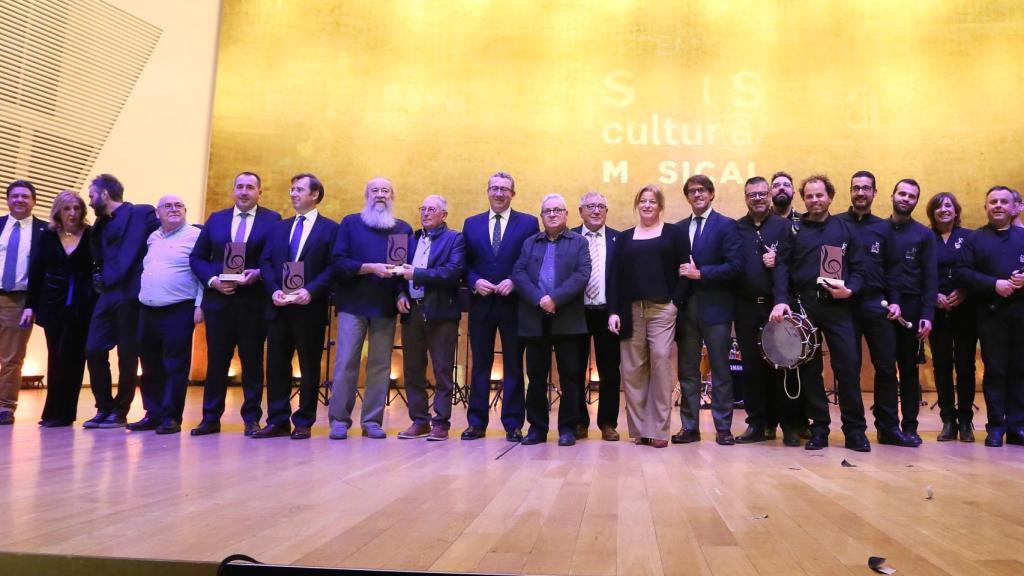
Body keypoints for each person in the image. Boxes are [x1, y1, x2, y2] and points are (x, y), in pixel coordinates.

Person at [779, 174, 870, 451]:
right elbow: (782, 268)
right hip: (805, 309)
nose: (815, 200)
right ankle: (819, 429)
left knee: (848, 368)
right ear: (803, 199)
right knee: (810, 372)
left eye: (820, 195)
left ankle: (855, 431)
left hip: (839, 308)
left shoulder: (845, 229)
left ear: (830, 197)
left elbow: (861, 269)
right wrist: (782, 300)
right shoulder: (793, 231)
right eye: (809, 196)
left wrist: (850, 290)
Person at [190, 172, 281, 436]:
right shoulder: (216, 219)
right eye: (239, 187)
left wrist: (259, 274)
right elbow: (197, 258)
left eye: (250, 187)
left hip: (253, 304)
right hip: (220, 301)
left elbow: (275, 258)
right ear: (233, 190)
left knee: (252, 363)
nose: (244, 192)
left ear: (259, 193)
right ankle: (210, 418)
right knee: (217, 362)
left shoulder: (272, 220)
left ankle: (251, 418)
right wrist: (213, 280)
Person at [254, 173, 338, 440]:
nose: (292, 194)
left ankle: (304, 420)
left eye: (299, 189)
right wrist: (274, 290)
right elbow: (266, 263)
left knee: (309, 365)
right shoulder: (280, 227)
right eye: (291, 189)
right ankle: (277, 420)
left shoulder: (331, 229)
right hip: (279, 306)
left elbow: (334, 266)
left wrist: (310, 291)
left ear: (315, 195)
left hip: (309, 308)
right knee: (276, 364)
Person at [328, 177, 412, 440]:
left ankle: (372, 421)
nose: (380, 195)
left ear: (392, 196)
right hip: (353, 303)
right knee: (345, 363)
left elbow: (403, 271)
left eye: (385, 190)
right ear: (366, 195)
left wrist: (401, 294)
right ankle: (339, 420)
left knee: (380, 365)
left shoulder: (403, 228)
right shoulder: (351, 223)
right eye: (374, 190)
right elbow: (338, 262)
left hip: (385, 307)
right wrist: (369, 268)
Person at [836, 171, 916, 447]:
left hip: (876, 305)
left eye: (866, 188)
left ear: (874, 193)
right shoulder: (835, 225)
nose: (861, 192)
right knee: (848, 369)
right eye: (856, 187)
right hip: (843, 306)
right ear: (850, 190)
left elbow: (894, 269)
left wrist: (894, 300)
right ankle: (854, 430)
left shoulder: (884, 228)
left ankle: (888, 428)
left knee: (885, 368)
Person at [460, 172, 539, 442]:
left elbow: (533, 260)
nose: (499, 193)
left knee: (514, 365)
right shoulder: (471, 224)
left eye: (504, 189)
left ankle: (513, 424)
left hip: (514, 305)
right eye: (494, 188)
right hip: (481, 304)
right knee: (480, 364)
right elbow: (464, 263)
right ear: (487, 191)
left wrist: (515, 281)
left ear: (513, 194)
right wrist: (474, 281)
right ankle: (476, 422)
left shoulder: (529, 223)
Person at [607, 184, 688, 448]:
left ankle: (659, 430)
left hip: (662, 309)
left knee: (661, 362)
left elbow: (685, 271)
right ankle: (640, 429)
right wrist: (614, 312)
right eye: (643, 201)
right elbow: (615, 278)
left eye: (652, 201)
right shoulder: (625, 238)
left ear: (660, 205)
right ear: (637, 204)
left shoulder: (675, 234)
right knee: (632, 370)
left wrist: (676, 303)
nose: (647, 205)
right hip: (631, 311)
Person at [511, 194, 591, 446]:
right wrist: (539, 298)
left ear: (567, 215)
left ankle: (567, 428)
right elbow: (519, 272)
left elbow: (582, 274)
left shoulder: (579, 242)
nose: (553, 214)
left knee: (570, 376)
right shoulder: (530, 243)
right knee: (535, 377)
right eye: (548, 211)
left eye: (558, 210)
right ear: (542, 216)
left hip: (567, 318)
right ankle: (537, 428)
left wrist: (555, 298)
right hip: (535, 319)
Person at [83, 174, 159, 429]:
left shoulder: (142, 213)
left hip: (131, 293)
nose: (89, 200)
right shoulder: (99, 226)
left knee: (127, 355)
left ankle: (120, 410)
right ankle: (103, 406)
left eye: (92, 195)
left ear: (105, 194)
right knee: (93, 348)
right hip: (107, 294)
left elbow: (172, 226)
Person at [673, 175, 741, 446]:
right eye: (691, 191)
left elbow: (736, 266)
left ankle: (723, 427)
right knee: (688, 371)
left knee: (721, 371)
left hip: (717, 310)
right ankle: (690, 427)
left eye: (702, 190)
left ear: (712, 194)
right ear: (687, 197)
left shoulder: (727, 226)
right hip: (685, 311)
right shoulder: (677, 230)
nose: (697, 195)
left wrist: (701, 274)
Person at [956, 186, 1024, 447]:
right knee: (995, 370)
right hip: (989, 313)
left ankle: (1017, 426)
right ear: (985, 208)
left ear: (1013, 207)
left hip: (1020, 312)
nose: (998, 205)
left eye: (1003, 202)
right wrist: (994, 284)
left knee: (1020, 368)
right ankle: (996, 426)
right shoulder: (975, 239)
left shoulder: (1022, 236)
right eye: (993, 201)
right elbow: (962, 272)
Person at [395, 195, 464, 441]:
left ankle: (441, 423)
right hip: (412, 310)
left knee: (442, 369)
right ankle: (419, 420)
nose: (425, 213)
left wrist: (417, 274)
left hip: (441, 312)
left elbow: (452, 272)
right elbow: (397, 270)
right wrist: (401, 293)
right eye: (422, 208)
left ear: (444, 214)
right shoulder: (410, 239)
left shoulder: (455, 239)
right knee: (413, 369)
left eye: (431, 209)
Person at [133, 195, 204, 434]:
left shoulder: (195, 236)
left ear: (185, 210)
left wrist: (200, 305)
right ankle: (152, 413)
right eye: (168, 206)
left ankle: (171, 417)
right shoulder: (152, 237)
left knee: (175, 365)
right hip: (147, 309)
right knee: (149, 364)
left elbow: (201, 271)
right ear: (157, 213)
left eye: (179, 206)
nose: (174, 210)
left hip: (179, 309)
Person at [26, 192, 96, 426]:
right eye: (67, 209)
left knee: (74, 358)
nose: (72, 214)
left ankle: (65, 414)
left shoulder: (90, 235)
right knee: (56, 356)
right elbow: (36, 273)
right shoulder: (47, 236)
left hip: (82, 305)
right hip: (53, 304)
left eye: (77, 208)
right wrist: (29, 307)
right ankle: (51, 413)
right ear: (58, 211)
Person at [732, 177, 793, 444]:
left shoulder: (784, 227)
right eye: (751, 195)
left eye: (761, 194)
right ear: (745, 198)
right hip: (745, 309)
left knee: (782, 367)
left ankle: (789, 425)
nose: (757, 198)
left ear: (768, 195)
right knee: (752, 369)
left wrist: (778, 262)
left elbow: (791, 266)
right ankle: (757, 423)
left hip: (775, 308)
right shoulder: (736, 229)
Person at [887, 179, 937, 445]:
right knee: (885, 370)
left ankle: (910, 426)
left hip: (912, 307)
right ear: (892, 195)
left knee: (907, 369)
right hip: (882, 308)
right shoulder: (879, 229)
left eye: (912, 196)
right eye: (902, 193)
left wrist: (927, 314)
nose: (906, 199)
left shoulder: (924, 235)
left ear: (916, 201)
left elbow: (931, 278)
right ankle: (888, 427)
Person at [926, 192, 977, 442]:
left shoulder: (969, 237)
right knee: (942, 365)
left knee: (966, 365)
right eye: (938, 206)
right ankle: (948, 419)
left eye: (948, 206)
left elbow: (977, 270)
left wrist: (965, 291)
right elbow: (918, 273)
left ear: (956, 211)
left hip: (965, 310)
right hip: (937, 310)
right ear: (932, 212)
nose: (943, 210)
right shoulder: (926, 238)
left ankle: (966, 420)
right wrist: (932, 295)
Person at [571, 191, 621, 441]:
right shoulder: (569, 237)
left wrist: (617, 311)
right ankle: (579, 422)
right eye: (590, 206)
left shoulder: (618, 240)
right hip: (575, 313)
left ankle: (608, 423)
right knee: (575, 368)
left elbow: (623, 281)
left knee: (610, 370)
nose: (596, 211)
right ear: (580, 211)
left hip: (607, 314)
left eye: (601, 206)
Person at [0, 180, 48, 425]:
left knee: (11, 357)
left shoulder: (45, 231)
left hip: (20, 301)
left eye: (25, 196)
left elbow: (46, 272)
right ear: (8, 200)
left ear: (33, 201)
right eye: (14, 196)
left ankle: (5, 407)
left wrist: (34, 304)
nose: (19, 200)